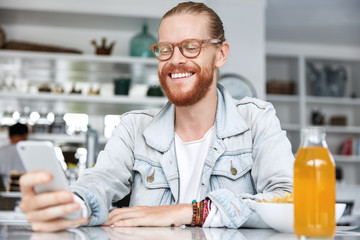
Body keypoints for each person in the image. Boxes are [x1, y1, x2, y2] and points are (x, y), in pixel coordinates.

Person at [19, 1, 294, 232]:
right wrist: (69, 206)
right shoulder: (133, 127)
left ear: (220, 54)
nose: (174, 60)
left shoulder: (257, 120)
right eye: (165, 49)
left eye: (190, 46)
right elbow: (99, 181)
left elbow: (290, 202)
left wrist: (191, 212)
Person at [0, 122, 28, 188]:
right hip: (26, 190)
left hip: (3, 192)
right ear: (26, 135)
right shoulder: (31, 152)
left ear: (9, 135)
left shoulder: (1, 151)